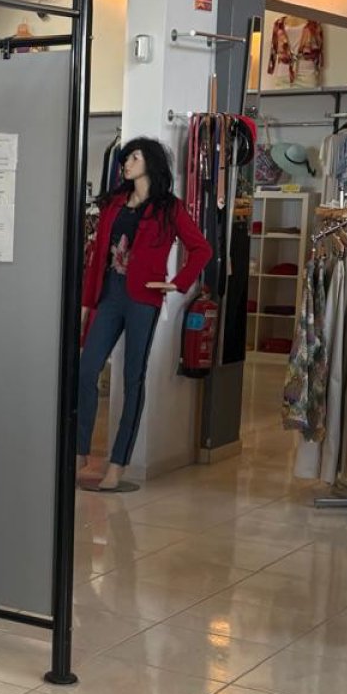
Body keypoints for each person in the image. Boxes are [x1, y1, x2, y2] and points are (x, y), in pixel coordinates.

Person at [75, 138, 212, 492]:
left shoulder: (169, 208)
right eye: (125, 158)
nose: (126, 163)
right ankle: (79, 452)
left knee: (132, 379)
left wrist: (176, 283)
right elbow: (97, 257)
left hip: (142, 300)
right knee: (86, 370)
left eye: (133, 157)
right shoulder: (113, 203)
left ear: (150, 162)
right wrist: (87, 303)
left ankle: (118, 463)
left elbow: (202, 249)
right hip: (108, 296)